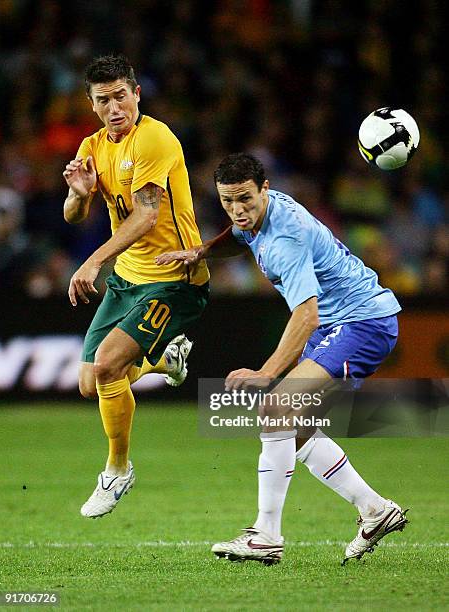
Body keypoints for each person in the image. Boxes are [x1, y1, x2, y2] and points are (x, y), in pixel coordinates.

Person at [156, 153, 408, 565]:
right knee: (295, 431)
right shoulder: (259, 214)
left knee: (275, 407)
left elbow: (305, 315)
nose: (237, 210)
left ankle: (266, 535)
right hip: (342, 322)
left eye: (245, 200)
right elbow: (238, 237)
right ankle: (375, 510)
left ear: (265, 189)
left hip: (361, 321)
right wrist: (201, 251)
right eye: (227, 201)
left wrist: (267, 372)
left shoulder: (283, 242)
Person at [63, 55, 209, 519]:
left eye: (120, 96)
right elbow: (72, 215)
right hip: (128, 278)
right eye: (103, 100)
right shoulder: (92, 146)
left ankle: (117, 470)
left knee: (107, 365)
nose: (114, 107)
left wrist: (92, 262)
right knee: (92, 384)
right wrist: (79, 195)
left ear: (137, 94)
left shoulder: (156, 138)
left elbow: (146, 216)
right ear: (92, 105)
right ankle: (166, 359)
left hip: (174, 279)